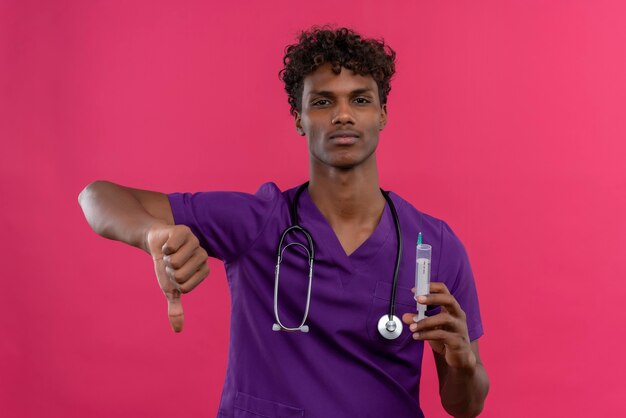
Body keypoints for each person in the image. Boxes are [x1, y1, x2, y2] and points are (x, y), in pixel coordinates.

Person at [79, 27, 489, 418]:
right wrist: (152, 232)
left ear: (382, 114)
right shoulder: (259, 222)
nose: (343, 115)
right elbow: (97, 197)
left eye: (361, 100)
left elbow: (464, 407)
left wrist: (463, 363)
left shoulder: (433, 245)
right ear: (298, 118)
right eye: (323, 101)